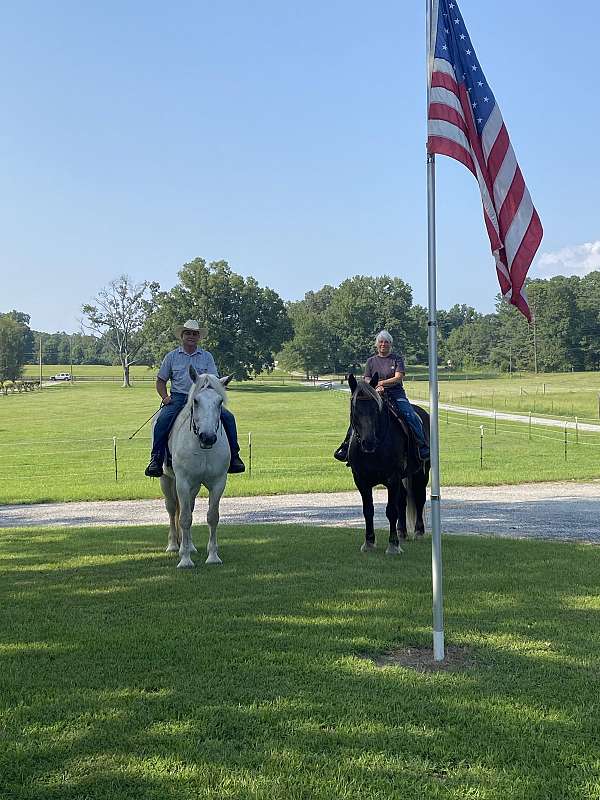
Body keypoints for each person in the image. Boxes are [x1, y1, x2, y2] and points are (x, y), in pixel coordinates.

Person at [145, 319, 245, 477]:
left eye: (195, 334)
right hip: (179, 397)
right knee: (162, 420)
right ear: (182, 336)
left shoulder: (207, 357)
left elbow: (213, 380)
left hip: (202, 398)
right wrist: (165, 397)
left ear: (199, 337)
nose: (191, 336)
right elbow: (160, 381)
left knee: (228, 417)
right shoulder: (171, 357)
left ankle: (234, 457)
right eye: (188, 333)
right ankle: (156, 459)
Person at [334, 329, 430, 462]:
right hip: (375, 395)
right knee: (361, 416)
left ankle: (422, 445)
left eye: (386, 342)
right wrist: (375, 387)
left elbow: (398, 377)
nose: (383, 344)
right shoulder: (371, 361)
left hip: (396, 394)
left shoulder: (396, 359)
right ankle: (346, 446)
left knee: (409, 414)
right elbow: (367, 378)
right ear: (377, 344)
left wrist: (381, 383)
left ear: (390, 344)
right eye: (381, 342)